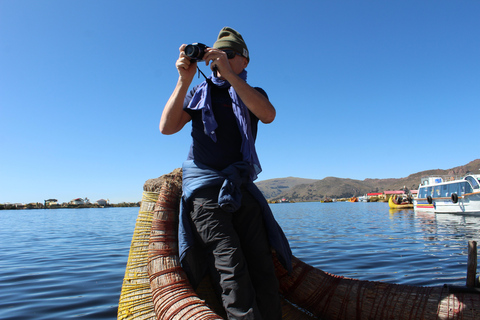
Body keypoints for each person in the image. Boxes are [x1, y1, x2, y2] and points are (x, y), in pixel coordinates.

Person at [160, 27, 292, 320]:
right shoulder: (197, 92)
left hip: (239, 186)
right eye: (218, 54)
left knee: (262, 265)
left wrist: (230, 78)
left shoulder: (253, 94)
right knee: (230, 264)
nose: (222, 59)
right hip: (206, 190)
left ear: (244, 60)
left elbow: (267, 115)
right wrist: (184, 79)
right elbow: (167, 127)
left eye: (230, 54)